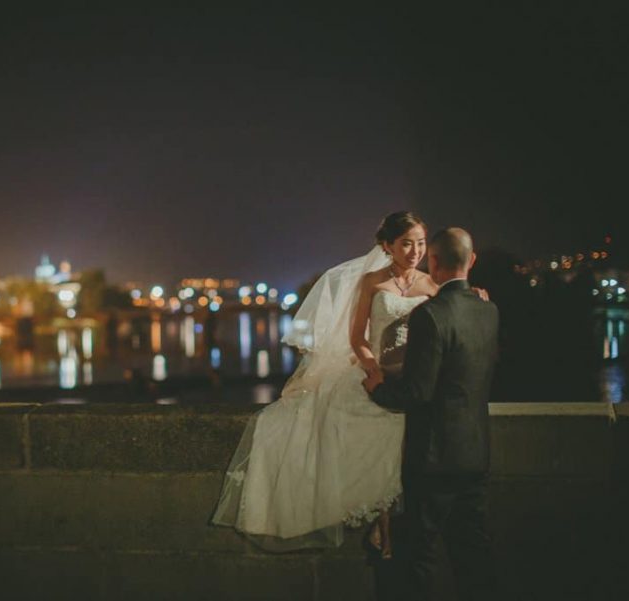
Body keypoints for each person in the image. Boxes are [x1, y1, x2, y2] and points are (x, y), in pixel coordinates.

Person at [211, 211, 435, 552]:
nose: (415, 251)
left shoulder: (431, 284)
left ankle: (386, 520)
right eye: (406, 243)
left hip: (413, 378)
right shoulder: (372, 281)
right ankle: (382, 519)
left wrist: (476, 292)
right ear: (387, 246)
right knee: (359, 418)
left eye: (420, 243)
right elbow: (357, 335)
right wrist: (373, 368)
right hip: (376, 370)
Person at [364, 227, 499, 601]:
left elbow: (417, 392)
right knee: (474, 554)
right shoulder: (489, 310)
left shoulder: (430, 315)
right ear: (472, 261)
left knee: (419, 557)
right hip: (476, 453)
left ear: (433, 261)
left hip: (433, 457)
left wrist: (377, 389)